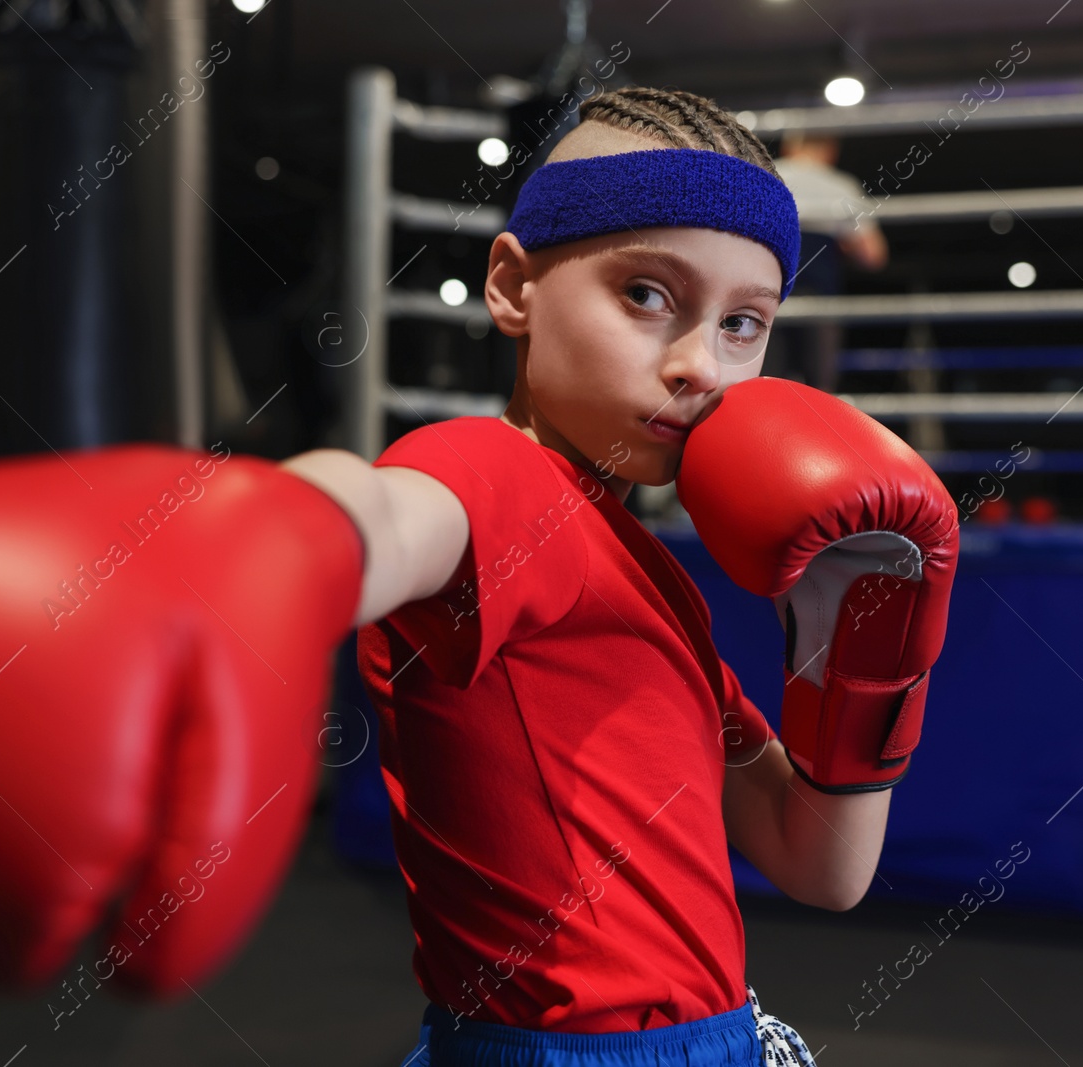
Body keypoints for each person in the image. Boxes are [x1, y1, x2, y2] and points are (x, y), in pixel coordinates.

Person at [280, 86, 953, 1067]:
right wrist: (267, 534)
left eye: (742, 323)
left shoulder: (654, 587)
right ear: (512, 286)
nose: (699, 367)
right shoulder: (491, 476)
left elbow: (821, 864)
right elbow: (381, 518)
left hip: (712, 1036)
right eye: (646, 294)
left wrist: (859, 649)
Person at [769, 129, 889, 393]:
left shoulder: (769, 174)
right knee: (819, 390)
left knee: (766, 385)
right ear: (830, 151)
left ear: (789, 146)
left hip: (767, 297)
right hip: (820, 298)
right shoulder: (840, 185)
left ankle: (760, 434)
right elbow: (873, 256)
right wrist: (844, 241)